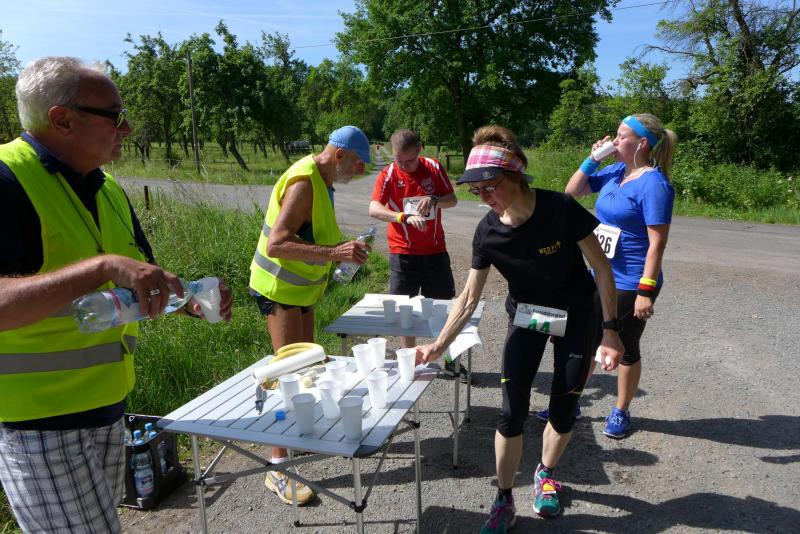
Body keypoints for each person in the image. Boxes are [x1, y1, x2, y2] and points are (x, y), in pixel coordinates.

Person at [0, 56, 233, 533]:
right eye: (114, 115)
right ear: (62, 119)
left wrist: (189, 300)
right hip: (37, 422)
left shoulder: (107, 189)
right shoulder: (7, 181)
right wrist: (101, 267)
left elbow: (137, 279)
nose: (126, 128)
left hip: (107, 407)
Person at [414, 125, 624, 532]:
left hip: (577, 314)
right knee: (511, 412)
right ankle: (504, 499)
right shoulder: (488, 232)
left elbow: (601, 267)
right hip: (529, 315)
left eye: (490, 186)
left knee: (563, 407)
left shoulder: (560, 208)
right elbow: (469, 297)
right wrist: (439, 345)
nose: (484, 196)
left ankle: (545, 473)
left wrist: (611, 330)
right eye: (476, 190)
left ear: (516, 175)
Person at [248, 125, 372, 505]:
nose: (361, 172)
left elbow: (310, 236)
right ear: (339, 155)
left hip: (301, 292)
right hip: (279, 291)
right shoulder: (304, 182)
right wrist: (335, 253)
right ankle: (277, 468)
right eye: (359, 164)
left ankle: (294, 440)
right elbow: (278, 244)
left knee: (305, 372)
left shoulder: (324, 182)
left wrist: (343, 251)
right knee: (286, 377)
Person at [562, 113, 676, 439]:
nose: (614, 141)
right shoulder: (616, 171)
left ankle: (621, 410)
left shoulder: (654, 184)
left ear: (642, 144)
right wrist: (593, 158)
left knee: (624, 344)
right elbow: (571, 192)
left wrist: (646, 291)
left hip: (632, 280)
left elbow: (657, 243)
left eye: (621, 136)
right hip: (602, 272)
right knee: (588, 338)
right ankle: (571, 402)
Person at [368, 129, 457, 350]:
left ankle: (446, 356)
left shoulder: (433, 167)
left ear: (419, 149)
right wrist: (402, 217)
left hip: (435, 251)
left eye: (409, 161)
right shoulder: (389, 173)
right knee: (403, 309)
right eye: (399, 160)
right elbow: (374, 208)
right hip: (403, 254)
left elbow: (452, 200)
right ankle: (408, 356)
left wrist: (434, 200)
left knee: (442, 307)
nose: (404, 166)